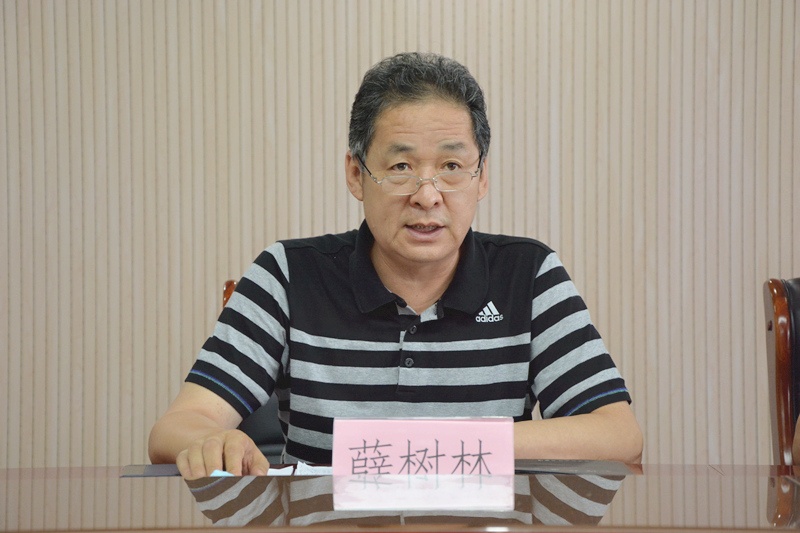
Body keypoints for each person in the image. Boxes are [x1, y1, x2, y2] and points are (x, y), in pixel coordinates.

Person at [148, 52, 643, 479]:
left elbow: (618, 435)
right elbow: (176, 427)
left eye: (451, 167)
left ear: (482, 178)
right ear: (356, 174)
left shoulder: (528, 275)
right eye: (401, 166)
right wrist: (212, 441)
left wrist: (441, 447)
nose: (428, 196)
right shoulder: (289, 274)